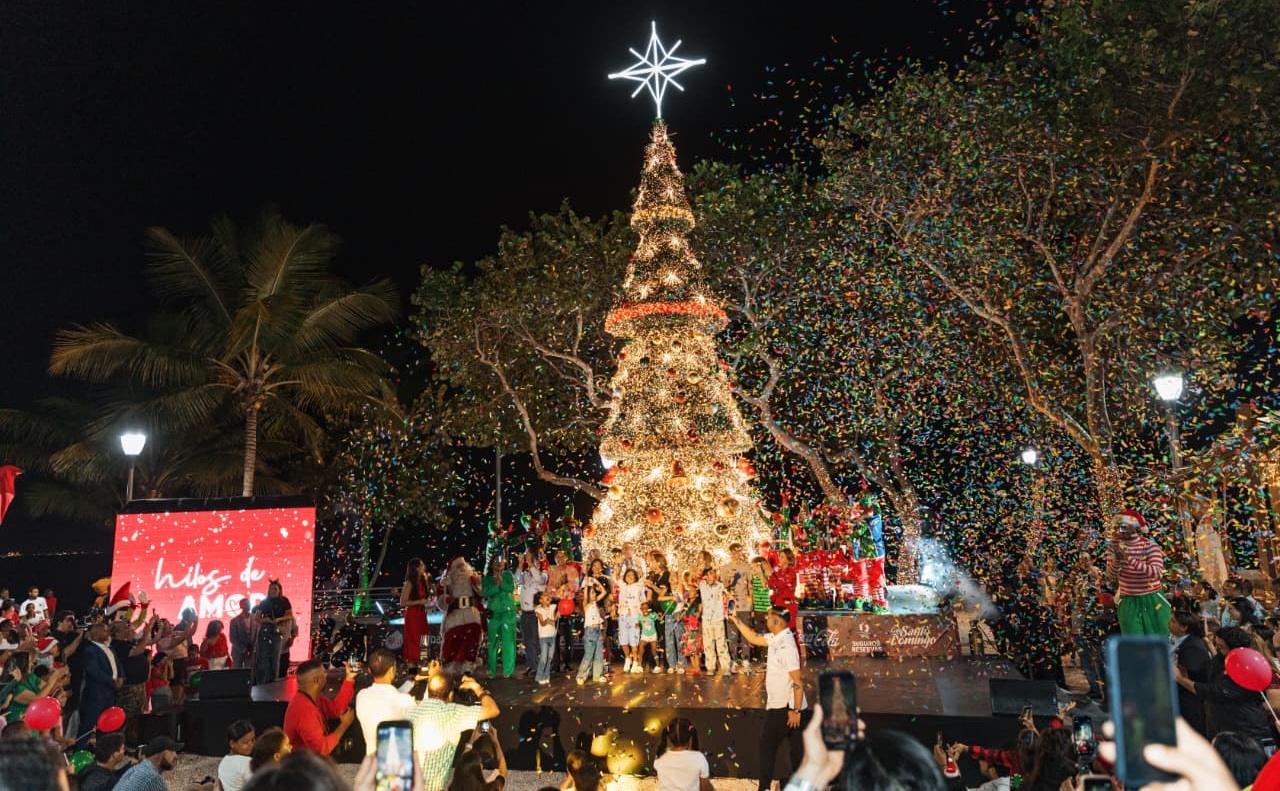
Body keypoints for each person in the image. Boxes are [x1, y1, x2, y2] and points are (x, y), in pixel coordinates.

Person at [730, 605, 809, 791]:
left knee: (767, 746)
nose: (765, 619)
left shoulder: (786, 647)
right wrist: (735, 620)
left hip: (785, 707)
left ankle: (764, 787)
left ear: (776, 621)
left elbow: (797, 681)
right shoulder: (777, 638)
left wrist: (795, 711)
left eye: (768, 616)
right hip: (788, 706)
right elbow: (754, 638)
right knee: (796, 751)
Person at [407, 670, 501, 791]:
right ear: (451, 695)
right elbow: (493, 710)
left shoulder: (411, 711)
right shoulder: (453, 713)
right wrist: (476, 687)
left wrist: (470, 742)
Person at [1106, 509, 1170, 635]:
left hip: (1153, 599)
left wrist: (1129, 559)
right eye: (1118, 527)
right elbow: (1111, 576)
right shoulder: (1114, 546)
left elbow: (1157, 573)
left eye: (1124, 526)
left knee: (1161, 637)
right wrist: (1118, 560)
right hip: (1129, 601)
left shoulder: (1149, 545)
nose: (1119, 531)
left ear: (1134, 526)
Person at [283, 658, 357, 757]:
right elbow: (321, 749)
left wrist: (349, 678)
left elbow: (335, 709)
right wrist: (344, 725)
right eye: (324, 673)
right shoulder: (304, 710)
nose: (326, 675)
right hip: (303, 767)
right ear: (317, 680)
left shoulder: (312, 698)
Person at [356, 648, 415, 755]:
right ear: (392, 670)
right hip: (398, 760)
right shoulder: (405, 700)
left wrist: (411, 683)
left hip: (372, 758)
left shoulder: (361, 696)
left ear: (369, 670)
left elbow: (385, 696)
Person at [111, 617, 158, 744]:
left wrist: (148, 630)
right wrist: (147, 632)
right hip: (128, 688)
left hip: (139, 686)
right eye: (124, 628)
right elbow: (138, 650)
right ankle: (121, 744)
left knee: (136, 717)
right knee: (126, 718)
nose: (128, 629)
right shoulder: (118, 645)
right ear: (116, 633)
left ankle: (132, 742)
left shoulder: (127, 643)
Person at [1170, 610, 1213, 735]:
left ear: (1184, 627)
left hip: (1189, 700)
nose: (1169, 624)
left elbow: (1190, 674)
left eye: (1173, 621)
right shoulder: (1179, 640)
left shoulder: (1192, 646)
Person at [78, 622, 120, 744]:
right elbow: (94, 670)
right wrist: (112, 682)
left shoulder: (110, 648)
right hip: (96, 693)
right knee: (88, 723)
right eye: (105, 631)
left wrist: (121, 677)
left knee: (106, 724)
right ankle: (79, 748)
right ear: (96, 633)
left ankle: (103, 749)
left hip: (110, 693)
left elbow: (118, 665)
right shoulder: (90, 649)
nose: (108, 633)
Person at [653, 717, 713, 791]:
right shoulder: (699, 758)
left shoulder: (660, 756)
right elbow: (705, 789)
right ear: (690, 735)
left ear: (669, 736)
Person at [482, 555, 518, 678]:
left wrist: (501, 581)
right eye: (496, 562)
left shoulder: (508, 575)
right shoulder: (486, 578)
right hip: (494, 612)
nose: (499, 564)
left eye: (501, 562)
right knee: (493, 642)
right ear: (491, 564)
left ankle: (508, 670)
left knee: (508, 641)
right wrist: (496, 586)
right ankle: (492, 670)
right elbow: (485, 592)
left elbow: (510, 588)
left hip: (508, 611)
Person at [252, 581, 294, 685]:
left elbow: (290, 615)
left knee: (275, 657)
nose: (273, 591)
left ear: (279, 590)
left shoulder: (284, 601)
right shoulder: (264, 602)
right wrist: (265, 620)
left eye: (275, 589)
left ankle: (273, 680)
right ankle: (263, 681)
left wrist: (279, 619)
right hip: (265, 629)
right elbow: (257, 618)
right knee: (263, 656)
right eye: (271, 589)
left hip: (277, 628)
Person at [721, 543, 754, 673]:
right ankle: (733, 661)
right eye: (733, 552)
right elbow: (723, 588)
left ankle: (746, 660)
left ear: (740, 552)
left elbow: (750, 586)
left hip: (744, 604)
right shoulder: (724, 568)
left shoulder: (746, 567)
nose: (735, 554)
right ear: (730, 553)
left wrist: (751, 604)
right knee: (732, 634)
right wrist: (728, 580)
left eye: (737, 552)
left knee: (745, 633)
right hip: (731, 605)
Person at [518, 551, 549, 677]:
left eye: (534, 561)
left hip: (535, 614)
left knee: (536, 641)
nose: (531, 563)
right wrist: (520, 565)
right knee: (528, 641)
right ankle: (531, 666)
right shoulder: (525, 575)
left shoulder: (542, 576)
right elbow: (517, 579)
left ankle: (540, 666)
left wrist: (530, 563)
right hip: (525, 613)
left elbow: (539, 580)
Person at [113, 735, 183, 791]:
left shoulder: (134, 769)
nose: (176, 756)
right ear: (162, 754)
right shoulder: (152, 778)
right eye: (172, 751)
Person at [699, 568, 731, 677]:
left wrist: (728, 577)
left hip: (718, 618)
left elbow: (727, 586)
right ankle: (711, 667)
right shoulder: (702, 585)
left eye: (712, 574)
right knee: (708, 644)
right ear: (705, 576)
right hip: (707, 619)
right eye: (708, 574)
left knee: (721, 643)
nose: (711, 576)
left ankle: (725, 667)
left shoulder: (720, 586)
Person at [402, 558, 434, 665]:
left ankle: (423, 667)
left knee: (423, 640)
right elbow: (402, 602)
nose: (424, 566)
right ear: (416, 568)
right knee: (413, 642)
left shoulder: (423, 581)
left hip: (421, 614)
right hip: (412, 616)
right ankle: (412, 670)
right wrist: (420, 601)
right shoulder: (410, 583)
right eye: (421, 565)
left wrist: (428, 603)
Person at [577, 574, 608, 684]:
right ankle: (582, 675)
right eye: (592, 593)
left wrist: (596, 582)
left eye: (595, 593)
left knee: (599, 653)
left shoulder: (595, 603)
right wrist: (586, 584)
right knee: (589, 654)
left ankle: (597, 675)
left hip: (597, 630)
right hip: (590, 631)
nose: (595, 594)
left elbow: (604, 592)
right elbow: (585, 595)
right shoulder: (586, 604)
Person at [617, 569, 645, 674]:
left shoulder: (638, 587)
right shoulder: (622, 587)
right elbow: (617, 576)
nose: (630, 577)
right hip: (623, 616)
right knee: (623, 641)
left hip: (634, 617)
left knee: (634, 641)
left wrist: (641, 618)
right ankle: (627, 658)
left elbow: (643, 602)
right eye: (628, 575)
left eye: (632, 575)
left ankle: (635, 661)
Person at [218, 720, 256, 791]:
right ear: (232, 743)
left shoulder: (223, 762)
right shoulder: (246, 762)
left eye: (253, 740)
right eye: (245, 742)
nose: (251, 744)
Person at [535, 591, 558, 686]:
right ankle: (540, 676)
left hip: (552, 635)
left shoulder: (553, 607)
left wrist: (558, 614)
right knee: (544, 657)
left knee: (550, 657)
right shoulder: (538, 609)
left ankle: (546, 675)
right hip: (544, 636)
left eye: (547, 595)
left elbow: (555, 619)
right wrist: (548, 619)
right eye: (544, 596)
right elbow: (542, 623)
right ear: (540, 600)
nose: (547, 597)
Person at [229, 598, 254, 670]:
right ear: (241, 606)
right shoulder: (234, 621)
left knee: (250, 671)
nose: (248, 606)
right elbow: (232, 638)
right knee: (237, 671)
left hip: (251, 649)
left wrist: (252, 647)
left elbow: (256, 634)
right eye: (245, 604)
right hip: (238, 650)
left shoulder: (255, 618)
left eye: (249, 604)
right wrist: (243, 649)